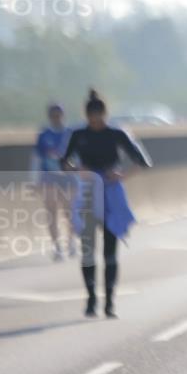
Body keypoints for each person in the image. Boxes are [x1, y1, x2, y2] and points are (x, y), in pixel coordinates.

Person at [61, 89, 152, 318]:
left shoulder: (117, 133)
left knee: (110, 252)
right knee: (88, 249)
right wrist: (78, 170)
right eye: (92, 119)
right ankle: (91, 298)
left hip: (112, 193)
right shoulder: (78, 134)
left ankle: (109, 302)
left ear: (105, 114)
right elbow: (63, 163)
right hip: (89, 192)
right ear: (87, 116)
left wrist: (122, 174)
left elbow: (143, 161)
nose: (96, 123)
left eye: (99, 118)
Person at [34, 103, 77, 261]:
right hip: (49, 177)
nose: (56, 118)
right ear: (49, 116)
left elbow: (77, 157)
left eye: (59, 115)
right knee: (52, 213)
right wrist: (35, 179)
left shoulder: (70, 133)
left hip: (68, 178)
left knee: (69, 212)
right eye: (53, 115)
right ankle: (57, 247)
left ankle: (71, 241)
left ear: (63, 115)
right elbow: (37, 159)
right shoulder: (43, 135)